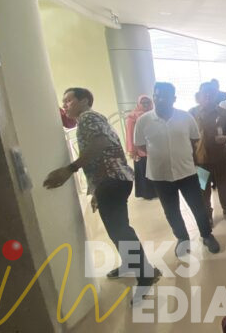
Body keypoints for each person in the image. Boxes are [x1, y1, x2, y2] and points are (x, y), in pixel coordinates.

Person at [44, 88, 161, 305]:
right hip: (113, 180)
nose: (65, 105)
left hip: (112, 180)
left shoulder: (87, 117)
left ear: (84, 101)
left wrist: (70, 169)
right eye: (64, 101)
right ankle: (130, 263)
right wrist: (97, 190)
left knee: (120, 230)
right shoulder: (91, 118)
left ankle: (146, 274)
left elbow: (101, 143)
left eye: (69, 100)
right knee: (118, 228)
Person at [133, 82, 221, 255]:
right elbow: (141, 145)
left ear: (173, 99)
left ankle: (207, 235)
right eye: (156, 95)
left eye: (164, 96)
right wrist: (161, 154)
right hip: (160, 174)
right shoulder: (143, 121)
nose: (159, 99)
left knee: (198, 206)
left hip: (187, 172)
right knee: (171, 210)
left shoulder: (185, 117)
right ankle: (182, 238)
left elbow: (194, 139)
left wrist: (179, 153)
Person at [190, 82, 226, 223]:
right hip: (200, 160)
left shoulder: (223, 113)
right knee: (202, 190)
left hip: (221, 158)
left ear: (216, 94)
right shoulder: (192, 113)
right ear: (199, 95)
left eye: (211, 92)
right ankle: (207, 215)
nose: (208, 95)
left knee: (225, 187)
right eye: (205, 92)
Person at [125, 95, 157, 200]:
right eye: (143, 103)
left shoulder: (155, 114)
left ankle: (157, 192)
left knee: (155, 171)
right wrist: (132, 150)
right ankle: (147, 193)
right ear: (138, 104)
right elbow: (130, 135)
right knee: (143, 171)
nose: (146, 105)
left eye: (148, 102)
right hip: (140, 150)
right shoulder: (132, 117)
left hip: (155, 149)